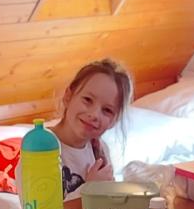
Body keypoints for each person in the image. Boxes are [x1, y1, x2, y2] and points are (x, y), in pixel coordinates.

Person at [46, 58, 133, 196]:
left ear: (114, 121)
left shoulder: (100, 150)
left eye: (107, 110)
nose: (94, 115)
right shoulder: (41, 148)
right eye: (87, 100)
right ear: (68, 96)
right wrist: (90, 189)